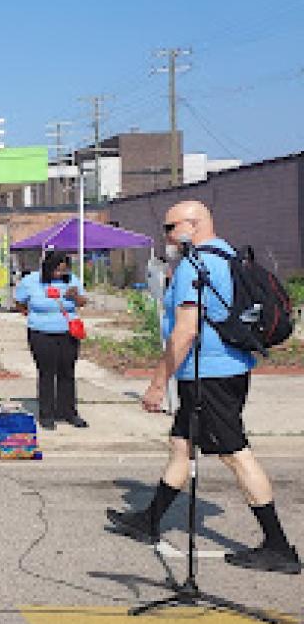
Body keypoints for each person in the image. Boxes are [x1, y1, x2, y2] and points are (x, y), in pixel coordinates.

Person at [107, 200, 299, 573]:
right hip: (223, 371)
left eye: (170, 228)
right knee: (181, 444)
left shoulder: (195, 266)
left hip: (208, 375)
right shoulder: (227, 256)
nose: (166, 236)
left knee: (236, 454)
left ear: (192, 225)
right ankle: (149, 521)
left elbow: (185, 331)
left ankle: (278, 547)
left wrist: (157, 383)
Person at [14, 249, 89, 430]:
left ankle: (68, 412)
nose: (59, 274)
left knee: (67, 372)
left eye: (63, 270)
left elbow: (83, 302)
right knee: (47, 373)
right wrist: (32, 316)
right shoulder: (31, 281)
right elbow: (19, 302)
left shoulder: (71, 280)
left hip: (68, 332)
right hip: (41, 333)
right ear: (47, 267)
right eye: (56, 270)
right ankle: (46, 415)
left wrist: (75, 297)